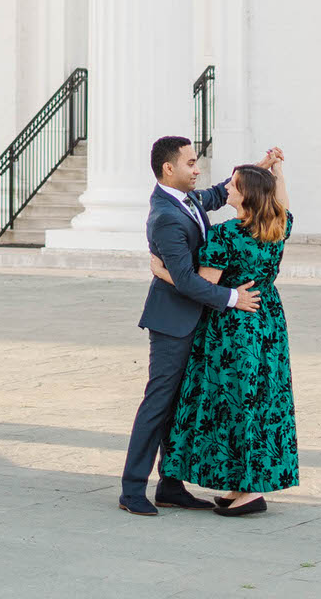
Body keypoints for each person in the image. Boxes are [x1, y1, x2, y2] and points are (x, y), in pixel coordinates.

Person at [118, 135, 266, 517]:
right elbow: (184, 279)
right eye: (190, 163)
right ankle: (132, 489)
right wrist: (234, 298)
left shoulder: (187, 199)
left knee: (180, 405)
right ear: (169, 168)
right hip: (173, 323)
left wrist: (261, 169)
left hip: (196, 320)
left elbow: (222, 193)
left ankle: (170, 486)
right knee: (158, 403)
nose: (197, 169)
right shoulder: (165, 216)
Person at [156, 149, 298, 517]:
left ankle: (250, 491)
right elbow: (282, 201)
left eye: (233, 186)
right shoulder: (277, 226)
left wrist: (163, 272)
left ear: (246, 196)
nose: (226, 189)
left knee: (232, 404)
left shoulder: (225, 236)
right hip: (267, 322)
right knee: (259, 401)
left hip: (231, 328)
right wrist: (276, 171)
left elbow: (202, 285)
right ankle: (244, 485)